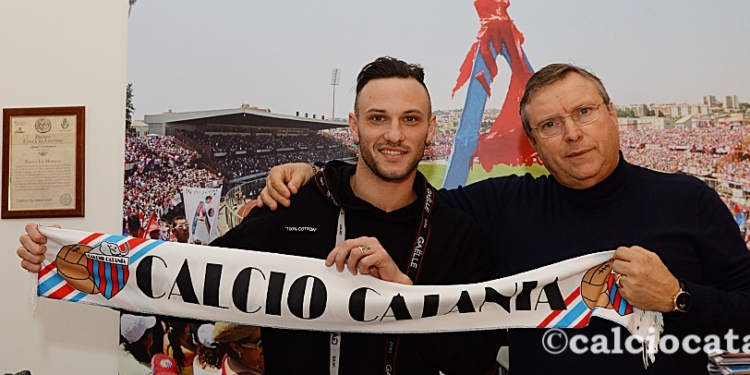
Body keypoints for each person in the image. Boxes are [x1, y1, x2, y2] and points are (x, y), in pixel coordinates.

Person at [17, 56, 502, 374]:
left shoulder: (457, 233)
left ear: (430, 128)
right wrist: (67, 258)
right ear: (354, 126)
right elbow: (186, 273)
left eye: (410, 120)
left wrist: (407, 297)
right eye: (378, 118)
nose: (394, 134)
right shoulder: (296, 204)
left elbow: (476, 361)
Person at [258, 63, 750, 374]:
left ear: (611, 114)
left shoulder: (688, 200)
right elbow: (401, 196)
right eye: (550, 125)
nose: (573, 134)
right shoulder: (503, 206)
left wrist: (679, 298)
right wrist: (319, 176)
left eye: (584, 112)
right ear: (532, 145)